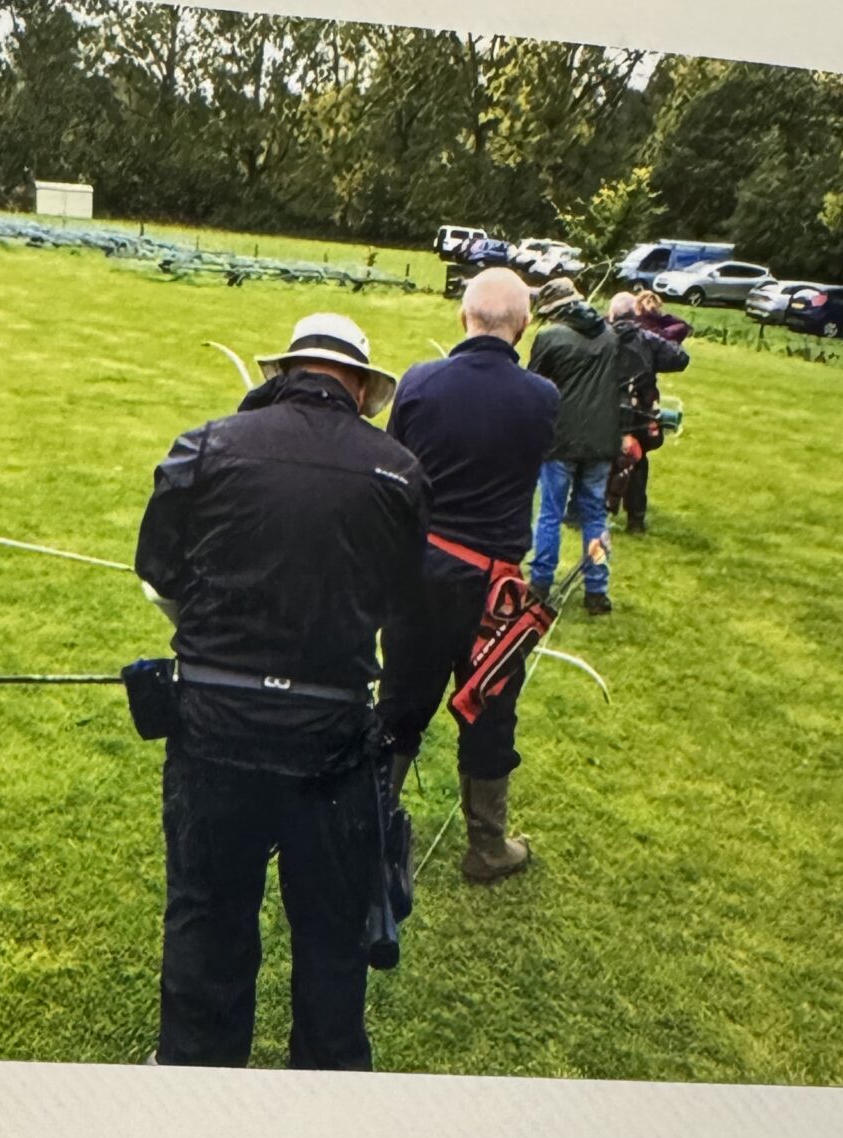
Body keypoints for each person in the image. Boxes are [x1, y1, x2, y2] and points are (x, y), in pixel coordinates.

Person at [135, 312, 429, 1072]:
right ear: (360, 389)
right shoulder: (399, 472)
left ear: (286, 375)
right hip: (329, 738)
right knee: (332, 935)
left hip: (217, 730)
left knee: (208, 917)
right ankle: (323, 1099)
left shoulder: (207, 445)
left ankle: (195, 1084)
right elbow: (402, 601)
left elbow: (159, 575)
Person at [377, 267, 561, 886]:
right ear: (524, 325)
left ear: (464, 317)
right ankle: (487, 846)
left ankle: (370, 826)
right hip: (495, 592)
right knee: (490, 708)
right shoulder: (542, 397)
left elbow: (397, 468)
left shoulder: (419, 382)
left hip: (422, 577)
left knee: (400, 699)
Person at [525, 277, 623, 614]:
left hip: (561, 438)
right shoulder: (610, 334)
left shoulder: (550, 337)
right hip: (602, 438)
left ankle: (540, 583)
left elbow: (534, 386)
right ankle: (597, 589)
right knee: (595, 514)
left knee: (550, 513)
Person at [606, 293, 691, 536]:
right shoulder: (648, 338)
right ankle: (635, 521)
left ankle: (593, 511)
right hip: (640, 409)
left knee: (602, 458)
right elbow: (680, 357)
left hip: (607, 407)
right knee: (638, 460)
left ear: (611, 314)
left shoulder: (601, 337)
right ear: (636, 313)